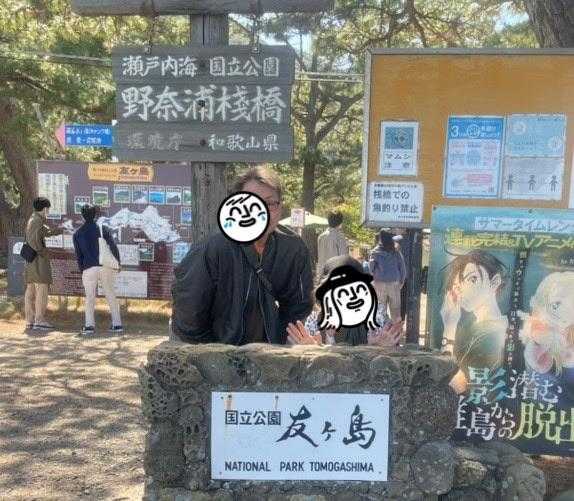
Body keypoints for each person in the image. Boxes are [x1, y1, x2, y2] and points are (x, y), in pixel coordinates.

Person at [171, 166, 314, 345]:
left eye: (270, 203)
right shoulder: (211, 249)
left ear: (280, 206)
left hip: (272, 356)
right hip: (218, 354)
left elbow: (299, 308)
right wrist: (215, 353)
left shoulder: (293, 249)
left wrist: (283, 345)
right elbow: (188, 314)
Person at [287, 255, 402, 347]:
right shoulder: (314, 320)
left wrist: (380, 348)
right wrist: (308, 351)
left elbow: (392, 355)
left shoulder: (376, 316)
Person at [440, 250, 508, 394]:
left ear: (494, 282)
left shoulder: (491, 335)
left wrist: (449, 329)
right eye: (457, 284)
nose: (461, 289)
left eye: (472, 279)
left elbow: (453, 387)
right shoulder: (478, 327)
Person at [73, 204, 123, 335]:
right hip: (104, 265)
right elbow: (113, 246)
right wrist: (118, 262)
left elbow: (79, 255)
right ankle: (117, 324)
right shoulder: (102, 228)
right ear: (95, 215)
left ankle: (89, 326)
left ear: (82, 216)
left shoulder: (77, 233)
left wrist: (82, 270)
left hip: (88, 267)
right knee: (110, 294)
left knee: (89, 297)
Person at [23, 197, 64, 330]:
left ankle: (30, 320)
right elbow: (36, 241)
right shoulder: (37, 221)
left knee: (30, 290)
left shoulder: (33, 219)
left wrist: (60, 230)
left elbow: (46, 233)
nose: (48, 212)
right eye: (48, 209)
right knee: (42, 289)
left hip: (30, 260)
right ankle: (39, 320)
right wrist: (45, 253)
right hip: (38, 261)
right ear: (45, 209)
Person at [368, 230, 406, 323]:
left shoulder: (375, 252)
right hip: (394, 283)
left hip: (379, 283)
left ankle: (382, 330)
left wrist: (375, 277)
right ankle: (396, 331)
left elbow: (371, 268)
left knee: (380, 311)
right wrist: (402, 281)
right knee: (396, 311)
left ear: (380, 239)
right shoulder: (396, 252)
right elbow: (402, 268)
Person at [316, 211, 349, 280]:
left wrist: (319, 275)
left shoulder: (321, 237)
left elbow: (320, 257)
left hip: (322, 275)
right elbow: (343, 258)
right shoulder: (340, 237)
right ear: (340, 222)